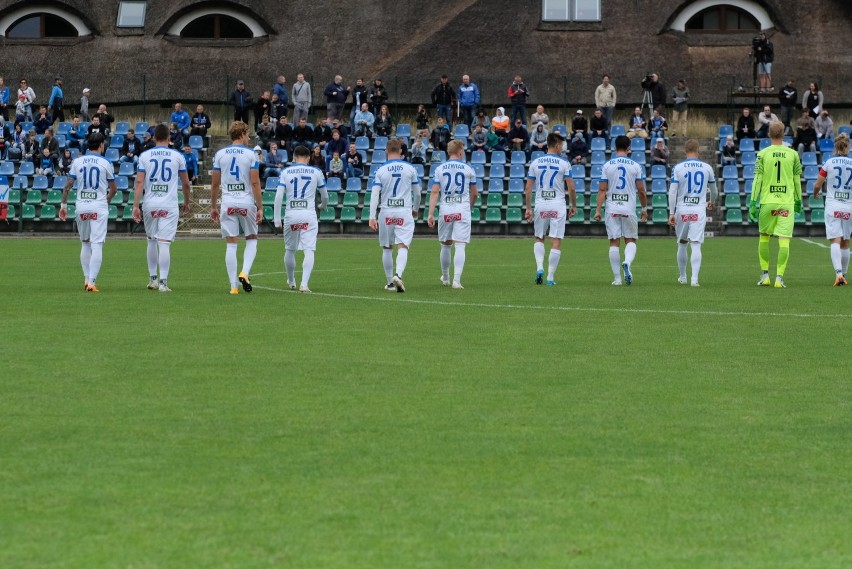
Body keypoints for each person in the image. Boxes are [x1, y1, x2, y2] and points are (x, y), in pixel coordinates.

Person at [130, 124, 191, 292]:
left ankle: (153, 279)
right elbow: (186, 183)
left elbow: (139, 182)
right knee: (164, 244)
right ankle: (163, 283)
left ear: (154, 138)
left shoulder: (144, 155)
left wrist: (136, 205)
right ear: (169, 138)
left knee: (151, 240)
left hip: (150, 203)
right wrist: (187, 202)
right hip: (169, 204)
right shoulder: (177, 156)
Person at [58, 133, 117, 292]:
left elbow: (68, 185)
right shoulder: (106, 162)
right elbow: (113, 188)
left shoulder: (77, 161)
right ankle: (92, 282)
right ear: (101, 145)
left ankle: (86, 279)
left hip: (82, 206)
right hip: (98, 206)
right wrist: (107, 199)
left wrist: (63, 206)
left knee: (85, 243)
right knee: (97, 244)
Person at [210, 121, 263, 295]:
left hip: (228, 203)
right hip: (246, 202)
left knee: (231, 243)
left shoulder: (220, 154)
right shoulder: (251, 154)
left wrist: (213, 206)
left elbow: (215, 184)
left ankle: (233, 286)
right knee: (252, 237)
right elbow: (255, 182)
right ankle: (245, 272)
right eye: (247, 135)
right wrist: (260, 207)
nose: (249, 138)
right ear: (241, 134)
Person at [748, 121, 803, 288]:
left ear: (769, 134)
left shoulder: (762, 154)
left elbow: (757, 179)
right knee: (784, 240)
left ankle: (765, 276)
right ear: (784, 134)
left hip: (767, 202)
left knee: (764, 237)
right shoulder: (793, 154)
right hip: (786, 203)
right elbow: (796, 180)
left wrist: (752, 201)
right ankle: (779, 278)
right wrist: (798, 200)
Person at [594, 135, 648, 285]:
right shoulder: (635, 166)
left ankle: (617, 279)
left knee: (614, 242)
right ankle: (628, 262)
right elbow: (641, 190)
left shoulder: (607, 165)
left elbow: (602, 190)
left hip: (612, 208)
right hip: (629, 208)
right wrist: (644, 208)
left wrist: (598, 210)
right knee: (630, 239)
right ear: (629, 148)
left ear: (614, 148)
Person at [274, 145, 328, 292]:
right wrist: (323, 205)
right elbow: (325, 195)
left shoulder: (285, 172)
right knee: (309, 249)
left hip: (291, 214)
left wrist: (277, 219)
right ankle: (304, 284)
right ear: (309, 158)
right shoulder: (316, 171)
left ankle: (291, 281)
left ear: (293, 157)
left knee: (290, 250)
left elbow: (279, 196)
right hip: (308, 215)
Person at [524, 132, 576, 286]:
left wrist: (528, 208)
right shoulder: (564, 163)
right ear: (557, 145)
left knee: (539, 237)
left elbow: (528, 188)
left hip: (541, 204)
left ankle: (540, 268)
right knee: (556, 240)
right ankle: (550, 278)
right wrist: (573, 205)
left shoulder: (536, 162)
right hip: (558, 204)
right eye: (562, 145)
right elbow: (571, 188)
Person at [368, 138, 421, 292]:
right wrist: (415, 209)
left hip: (386, 211)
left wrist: (372, 216)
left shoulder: (380, 170)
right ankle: (398, 274)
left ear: (386, 151)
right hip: (404, 210)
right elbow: (417, 193)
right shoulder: (410, 168)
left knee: (387, 247)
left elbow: (374, 194)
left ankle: (390, 283)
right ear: (401, 151)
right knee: (403, 245)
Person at [425, 139, 478, 289]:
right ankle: (457, 281)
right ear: (460, 151)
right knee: (460, 245)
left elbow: (435, 191)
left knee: (446, 245)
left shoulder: (440, 169)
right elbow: (475, 194)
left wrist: (430, 213)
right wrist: (469, 207)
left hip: (446, 209)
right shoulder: (468, 169)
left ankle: (446, 276)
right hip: (462, 209)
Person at [667, 139, 717, 286]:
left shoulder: (678, 168)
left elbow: (672, 191)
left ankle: (683, 277)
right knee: (696, 244)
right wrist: (712, 201)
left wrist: (671, 212)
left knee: (682, 243)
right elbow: (714, 191)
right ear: (698, 151)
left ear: (685, 151)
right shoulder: (707, 167)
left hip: (682, 209)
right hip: (698, 210)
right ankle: (694, 279)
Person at [812, 134, 852, 285]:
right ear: (847, 147)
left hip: (833, 205)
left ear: (835, 146)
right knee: (846, 241)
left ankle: (838, 274)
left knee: (835, 240)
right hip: (849, 206)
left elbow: (817, 184)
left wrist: (816, 193)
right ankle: (844, 275)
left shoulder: (829, 162)